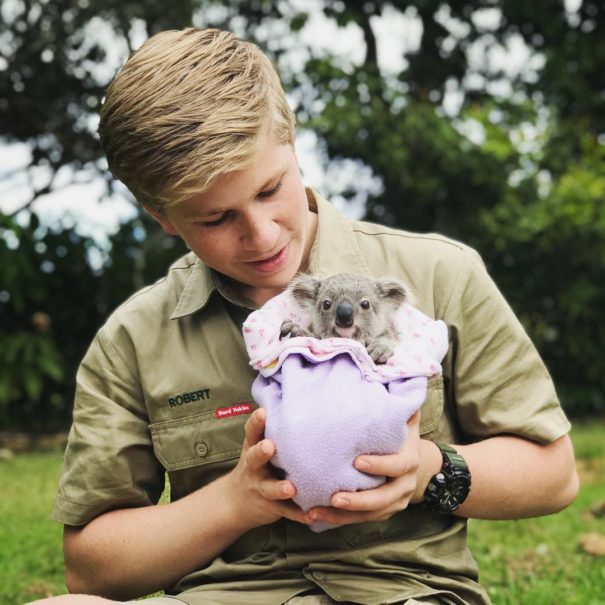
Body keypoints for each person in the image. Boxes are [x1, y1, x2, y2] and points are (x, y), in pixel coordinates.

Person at [28, 27, 578, 605]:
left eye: (271, 190)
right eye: (215, 219)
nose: (261, 237)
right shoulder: (133, 340)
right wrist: (235, 501)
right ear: (161, 216)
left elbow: (553, 472)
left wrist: (425, 473)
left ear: (291, 140)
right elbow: (91, 571)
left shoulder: (439, 275)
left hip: (401, 594)